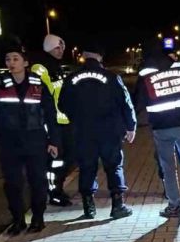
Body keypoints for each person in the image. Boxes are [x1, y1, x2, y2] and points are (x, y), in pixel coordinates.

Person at [58, 44, 136, 220]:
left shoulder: (71, 78)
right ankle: (118, 206)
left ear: (84, 57)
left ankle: (88, 208)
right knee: (114, 166)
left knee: (87, 168)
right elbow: (125, 103)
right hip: (109, 131)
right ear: (100, 57)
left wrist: (76, 118)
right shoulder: (112, 77)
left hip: (83, 132)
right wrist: (130, 127)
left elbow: (62, 104)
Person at [0, 43, 60, 234]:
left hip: (35, 140)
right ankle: (18, 220)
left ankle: (38, 218)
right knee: (13, 184)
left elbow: (50, 114)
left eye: (15, 59)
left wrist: (53, 141)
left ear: (25, 62)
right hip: (9, 143)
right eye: (8, 59)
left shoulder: (38, 84)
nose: (11, 63)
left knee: (37, 181)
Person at [135, 42, 180, 218]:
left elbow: (139, 101)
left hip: (161, 127)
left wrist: (132, 122)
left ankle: (174, 206)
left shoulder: (145, 74)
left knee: (168, 167)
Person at [31, 34, 75, 207]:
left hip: (64, 121)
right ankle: (54, 192)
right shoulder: (40, 67)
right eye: (58, 47)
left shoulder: (56, 66)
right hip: (52, 122)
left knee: (68, 158)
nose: (61, 50)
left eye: (62, 47)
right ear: (49, 48)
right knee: (55, 161)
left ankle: (58, 188)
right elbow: (42, 97)